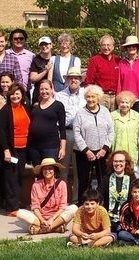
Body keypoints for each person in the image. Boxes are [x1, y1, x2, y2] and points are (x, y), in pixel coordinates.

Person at [73, 85, 114, 205]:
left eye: (93, 97)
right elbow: (77, 133)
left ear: (98, 97)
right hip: (84, 153)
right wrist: (86, 150)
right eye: (88, 97)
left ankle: (104, 206)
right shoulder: (80, 113)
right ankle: (83, 206)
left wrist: (105, 149)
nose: (90, 99)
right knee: (84, 181)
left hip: (102, 152)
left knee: (104, 180)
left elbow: (111, 131)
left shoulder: (105, 111)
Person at [17, 158, 78, 235]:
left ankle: (41, 229)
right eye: (45, 169)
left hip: (56, 217)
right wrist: (42, 220)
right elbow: (35, 206)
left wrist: (52, 219)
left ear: (55, 171)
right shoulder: (36, 185)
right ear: (42, 171)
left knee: (74, 208)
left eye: (50, 168)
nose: (47, 171)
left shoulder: (62, 184)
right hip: (40, 218)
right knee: (19, 213)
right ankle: (55, 228)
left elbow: (63, 206)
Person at [0, 83, 30, 216]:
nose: (15, 96)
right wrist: (6, 149)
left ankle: (16, 201)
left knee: (18, 176)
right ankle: (11, 207)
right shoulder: (5, 111)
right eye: (12, 94)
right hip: (11, 150)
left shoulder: (25, 108)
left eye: (18, 93)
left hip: (23, 149)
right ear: (9, 95)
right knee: (10, 178)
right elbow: (1, 132)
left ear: (22, 95)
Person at [55, 67, 86, 203]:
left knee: (79, 169)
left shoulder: (86, 94)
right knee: (63, 169)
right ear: (67, 80)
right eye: (71, 77)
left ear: (80, 80)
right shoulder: (60, 95)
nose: (74, 80)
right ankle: (62, 200)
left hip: (82, 134)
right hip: (65, 133)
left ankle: (76, 200)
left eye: (76, 77)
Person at [28, 79, 66, 166]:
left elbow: (62, 128)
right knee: (38, 172)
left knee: (50, 171)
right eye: (42, 89)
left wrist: (63, 148)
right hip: (34, 146)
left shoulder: (58, 105)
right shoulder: (35, 106)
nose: (44, 91)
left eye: (46, 89)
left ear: (51, 89)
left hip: (51, 146)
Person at [97, 150, 136, 232]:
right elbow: (99, 194)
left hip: (125, 217)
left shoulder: (132, 178)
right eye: (115, 161)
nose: (118, 164)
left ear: (126, 163)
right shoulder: (107, 177)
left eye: (121, 161)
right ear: (112, 162)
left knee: (122, 233)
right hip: (108, 217)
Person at [117, 35, 139, 117]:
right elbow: (119, 82)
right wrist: (118, 99)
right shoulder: (122, 63)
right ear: (126, 48)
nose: (131, 48)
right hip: (125, 100)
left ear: (137, 48)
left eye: (134, 46)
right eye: (129, 46)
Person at [85, 34, 120, 112]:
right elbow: (89, 81)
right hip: (101, 96)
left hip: (115, 97)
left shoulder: (118, 60)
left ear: (113, 46)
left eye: (108, 45)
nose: (106, 47)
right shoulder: (95, 60)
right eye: (103, 45)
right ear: (100, 47)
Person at [111, 91, 139, 170]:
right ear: (118, 103)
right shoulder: (112, 116)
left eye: (127, 102)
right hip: (117, 151)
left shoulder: (136, 116)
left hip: (132, 151)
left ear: (131, 104)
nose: (124, 105)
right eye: (122, 102)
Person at [7, 29, 35, 95]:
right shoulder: (5, 54)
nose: (19, 40)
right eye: (16, 39)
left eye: (21, 38)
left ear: (25, 40)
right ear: (11, 40)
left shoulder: (31, 56)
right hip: (8, 92)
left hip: (25, 92)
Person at [30, 36, 53, 106]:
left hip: (52, 93)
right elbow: (33, 78)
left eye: (46, 44)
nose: (44, 46)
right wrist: (45, 71)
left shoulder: (56, 58)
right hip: (39, 93)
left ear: (51, 45)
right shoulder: (36, 60)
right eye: (42, 45)